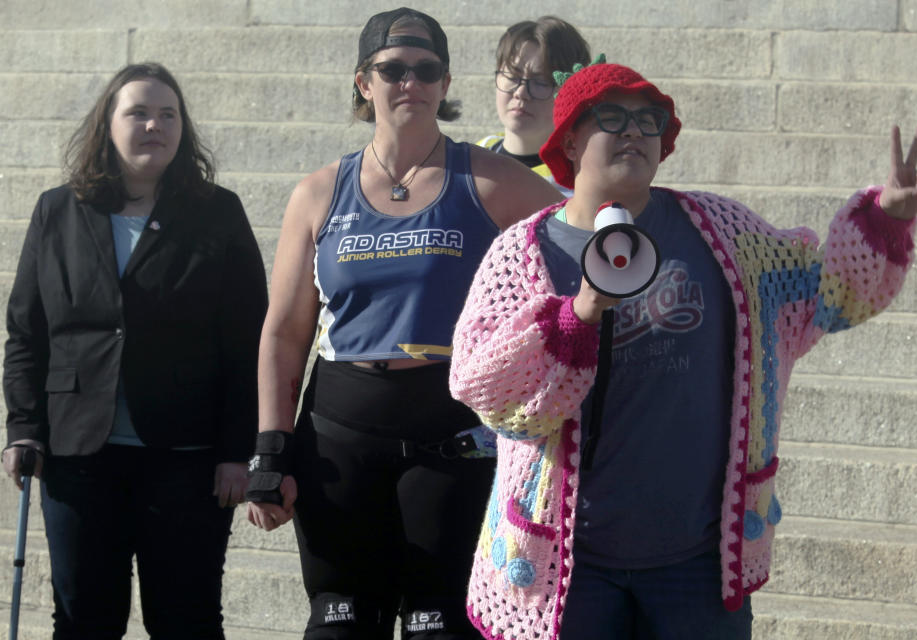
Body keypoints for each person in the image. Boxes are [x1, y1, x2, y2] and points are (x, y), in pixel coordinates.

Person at [449, 60, 917, 640]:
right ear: (570, 139)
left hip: (697, 563)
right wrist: (578, 314)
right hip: (568, 568)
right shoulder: (521, 254)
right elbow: (482, 388)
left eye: (649, 120)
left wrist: (886, 221)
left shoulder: (725, 232)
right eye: (612, 117)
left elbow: (825, 295)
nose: (633, 131)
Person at [244, 7, 561, 640]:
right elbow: (283, 331)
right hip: (340, 434)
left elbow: (590, 236)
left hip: (449, 436)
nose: (410, 82)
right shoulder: (318, 192)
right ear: (364, 82)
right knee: (339, 623)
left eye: (426, 70)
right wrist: (271, 448)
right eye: (393, 69)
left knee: (436, 626)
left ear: (445, 84)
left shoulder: (492, 179)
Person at [1, 62, 268, 639]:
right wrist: (23, 427)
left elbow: (247, 339)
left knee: (187, 620)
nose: (155, 125)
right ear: (108, 125)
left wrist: (235, 451)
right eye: (139, 113)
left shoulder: (217, 213)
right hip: (78, 457)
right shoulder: (57, 211)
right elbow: (27, 333)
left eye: (168, 114)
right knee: (82, 621)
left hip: (187, 459)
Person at [477, 16, 591, 196]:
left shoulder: (581, 186)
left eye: (541, 82)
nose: (521, 92)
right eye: (512, 76)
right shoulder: (470, 160)